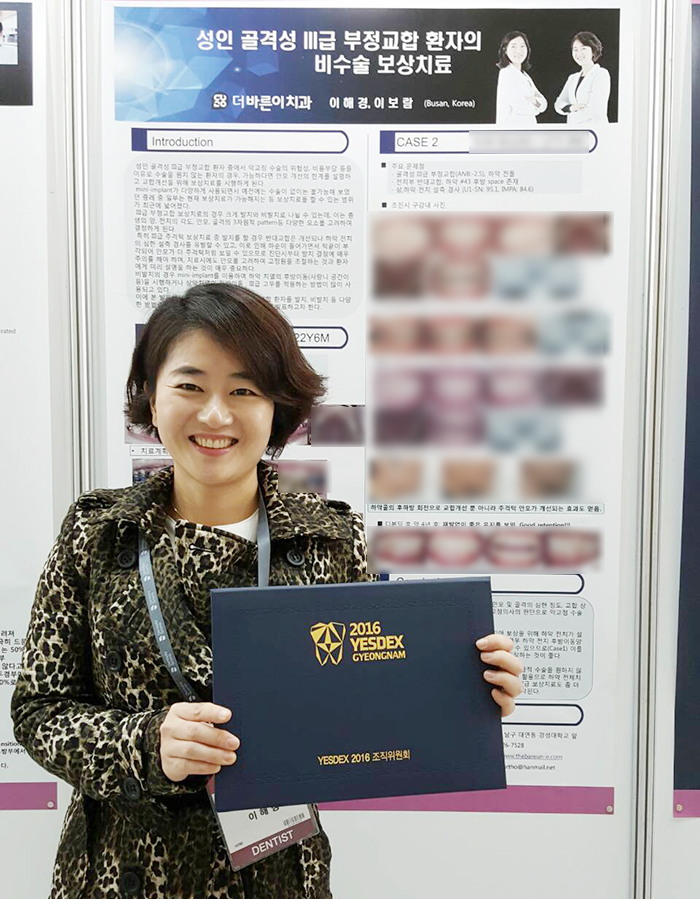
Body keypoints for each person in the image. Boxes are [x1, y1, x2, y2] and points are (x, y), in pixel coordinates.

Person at [11, 283, 524, 899]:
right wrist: (144, 745)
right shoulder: (98, 533)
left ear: (277, 406)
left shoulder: (329, 539)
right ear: (150, 394)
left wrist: (464, 693)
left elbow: (373, 695)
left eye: (244, 390)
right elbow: (38, 710)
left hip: (280, 875)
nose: (215, 415)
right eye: (190, 386)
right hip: (121, 873)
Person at [555, 31, 611, 125]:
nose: (579, 53)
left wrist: (571, 115)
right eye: (575, 49)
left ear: (593, 50)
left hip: (596, 129)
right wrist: (571, 108)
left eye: (583, 48)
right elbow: (558, 104)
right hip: (576, 130)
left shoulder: (601, 74)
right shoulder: (572, 78)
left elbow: (595, 109)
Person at [495, 31, 548, 126]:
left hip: (528, 128)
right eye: (513, 46)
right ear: (505, 50)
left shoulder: (525, 75)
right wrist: (536, 106)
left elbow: (544, 104)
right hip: (513, 129)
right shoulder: (506, 73)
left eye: (522, 46)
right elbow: (520, 106)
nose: (518, 51)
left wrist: (534, 101)